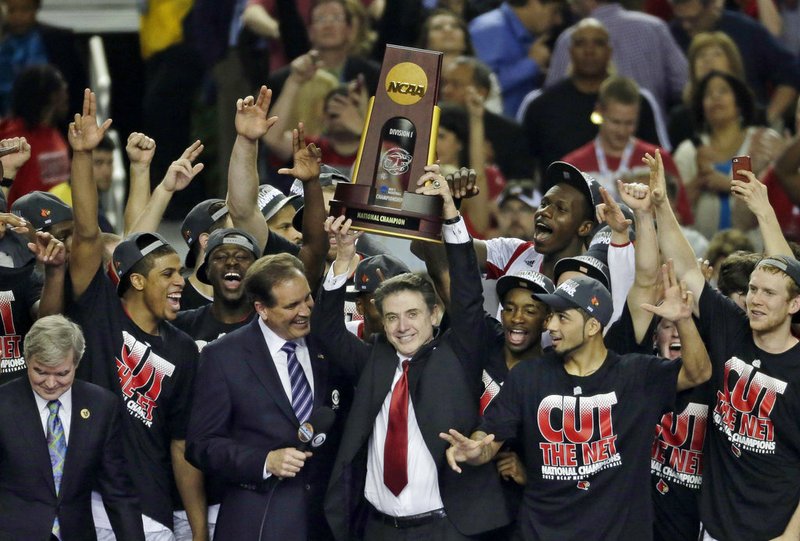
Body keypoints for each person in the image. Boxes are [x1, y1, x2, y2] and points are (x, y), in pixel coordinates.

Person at [441, 268, 712, 540]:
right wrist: (476, 450)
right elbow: (489, 439)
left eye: (563, 317)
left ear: (593, 326)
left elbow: (698, 373)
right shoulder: (528, 376)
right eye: (551, 316)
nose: (551, 326)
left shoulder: (636, 376)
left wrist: (684, 320)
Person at [318, 168, 510, 540]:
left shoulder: (459, 352)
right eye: (391, 317)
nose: (402, 326)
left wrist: (451, 214)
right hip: (378, 529)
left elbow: (469, 296)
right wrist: (342, 259)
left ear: (436, 314)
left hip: (445, 528)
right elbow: (326, 330)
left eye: (412, 314)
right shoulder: (373, 358)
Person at [65, 90, 206, 540]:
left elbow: (182, 446)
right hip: (85, 502)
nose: (180, 280)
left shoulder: (183, 348)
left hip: (151, 511)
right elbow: (89, 235)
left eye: (180, 271)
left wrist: (199, 531)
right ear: (138, 282)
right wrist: (83, 156)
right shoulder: (100, 311)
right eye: (168, 273)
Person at [650, 143, 800, 539]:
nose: (755, 299)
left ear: (795, 304)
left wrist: (791, 537)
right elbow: (685, 266)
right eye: (752, 290)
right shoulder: (732, 327)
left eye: (769, 293)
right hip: (714, 529)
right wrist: (662, 205)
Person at [185, 252, 352, 541]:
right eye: (291, 305)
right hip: (258, 519)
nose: (305, 311)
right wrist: (264, 461)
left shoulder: (326, 345)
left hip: (326, 521)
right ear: (261, 308)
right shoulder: (224, 357)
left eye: (307, 298)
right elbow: (201, 445)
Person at [0, 314, 145, 541]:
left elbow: (118, 491)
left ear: (76, 363)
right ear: (27, 359)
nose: (50, 383)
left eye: (61, 373)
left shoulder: (101, 406)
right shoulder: (4, 404)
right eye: (40, 371)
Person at [519, 18, 669, 180]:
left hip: (632, 199)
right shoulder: (540, 104)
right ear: (570, 51)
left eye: (598, 43)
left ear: (609, 52)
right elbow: (524, 167)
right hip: (559, 200)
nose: (589, 50)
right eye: (580, 43)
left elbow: (658, 159)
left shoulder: (637, 100)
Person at [561, 76, 693, 224]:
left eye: (629, 123)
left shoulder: (657, 160)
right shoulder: (574, 164)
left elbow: (683, 218)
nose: (622, 131)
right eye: (616, 122)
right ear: (599, 112)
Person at [672, 71, 782, 240]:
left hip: (756, 245)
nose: (715, 97)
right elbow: (675, 207)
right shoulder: (688, 151)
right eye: (708, 94)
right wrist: (699, 180)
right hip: (701, 249)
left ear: (739, 103)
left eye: (723, 91)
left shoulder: (763, 142)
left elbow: (777, 196)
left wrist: (727, 184)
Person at [544, 0, 687, 117]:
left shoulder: (571, 39)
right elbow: (685, 86)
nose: (571, 4)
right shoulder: (655, 28)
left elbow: (551, 102)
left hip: (584, 141)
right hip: (646, 142)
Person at [669, 0, 800, 127]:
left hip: (750, 127)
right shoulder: (671, 35)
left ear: (713, 6)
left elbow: (791, 73)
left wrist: (767, 119)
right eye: (681, 19)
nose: (686, 25)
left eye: (694, 19)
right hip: (695, 129)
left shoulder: (746, 31)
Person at [469, 0, 564, 117]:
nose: (558, 20)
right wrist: (532, 63)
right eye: (555, 11)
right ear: (534, 3)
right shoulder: (489, 28)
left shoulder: (528, 35)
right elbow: (480, 87)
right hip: (491, 129)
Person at [344, 253, 411, 341]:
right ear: (360, 306)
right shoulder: (341, 338)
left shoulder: (419, 342)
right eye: (382, 302)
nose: (394, 311)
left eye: (402, 302)